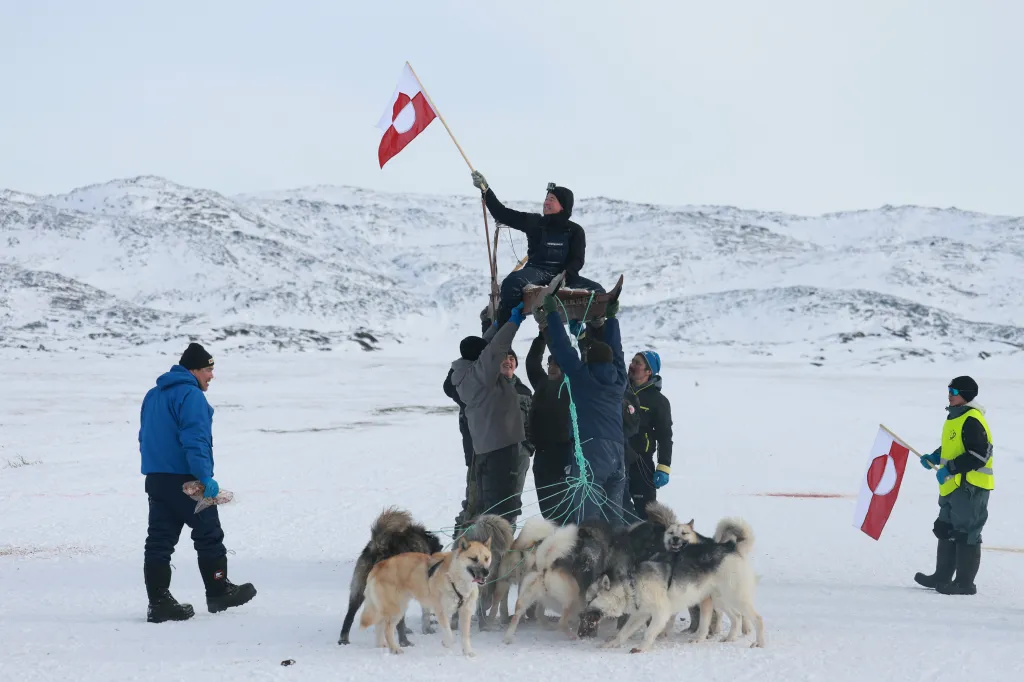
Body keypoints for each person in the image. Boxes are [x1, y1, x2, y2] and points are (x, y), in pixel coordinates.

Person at [139, 342, 256, 623]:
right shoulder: (190, 396)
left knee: (158, 542)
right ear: (193, 370)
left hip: (156, 480)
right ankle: (219, 591)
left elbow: (144, 437)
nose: (211, 376)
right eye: (207, 369)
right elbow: (195, 439)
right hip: (187, 483)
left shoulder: (153, 395)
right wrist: (204, 476)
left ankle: (158, 603)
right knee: (209, 536)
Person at [470, 171, 604, 326]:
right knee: (511, 283)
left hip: (564, 276)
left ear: (563, 205)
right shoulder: (534, 222)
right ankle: (503, 329)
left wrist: (564, 276)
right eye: (546, 199)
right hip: (536, 272)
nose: (546, 202)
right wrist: (486, 190)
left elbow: (577, 260)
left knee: (599, 292)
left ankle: (593, 342)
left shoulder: (575, 231)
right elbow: (502, 213)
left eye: (551, 199)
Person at [542, 296, 627, 523]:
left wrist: (552, 314)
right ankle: (618, 556)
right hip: (618, 455)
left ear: (589, 360)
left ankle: (588, 556)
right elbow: (616, 352)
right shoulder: (620, 382)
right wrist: (611, 319)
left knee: (587, 520)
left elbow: (562, 348)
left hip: (591, 451)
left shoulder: (582, 377)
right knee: (614, 518)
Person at [914, 376, 993, 596]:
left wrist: (951, 468)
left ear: (965, 395)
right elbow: (954, 447)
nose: (949, 393)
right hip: (952, 487)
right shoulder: (955, 418)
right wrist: (935, 457)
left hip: (971, 488)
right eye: (949, 389)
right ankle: (942, 576)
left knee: (966, 533)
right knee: (944, 528)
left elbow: (980, 453)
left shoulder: (972, 418)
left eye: (954, 390)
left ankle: (964, 583)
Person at [450, 303, 528, 525]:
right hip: (501, 449)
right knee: (503, 508)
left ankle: (485, 548)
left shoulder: (463, 372)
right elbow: (496, 348)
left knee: (487, 506)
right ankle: (499, 552)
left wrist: (494, 325)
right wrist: (514, 321)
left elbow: (486, 347)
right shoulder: (481, 374)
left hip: (484, 449)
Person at [525, 328, 573, 521]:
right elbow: (531, 363)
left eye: (557, 364)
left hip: (566, 455)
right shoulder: (542, 384)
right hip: (543, 454)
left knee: (566, 509)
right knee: (547, 509)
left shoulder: (574, 387)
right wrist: (541, 337)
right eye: (550, 363)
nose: (552, 367)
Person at [625, 350, 673, 520]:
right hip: (614, 457)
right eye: (633, 361)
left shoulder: (658, 401)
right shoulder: (618, 389)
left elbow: (665, 436)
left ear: (649, 371)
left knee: (645, 513)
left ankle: (647, 546)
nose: (632, 365)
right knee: (614, 508)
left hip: (641, 462)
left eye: (638, 363)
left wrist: (664, 466)